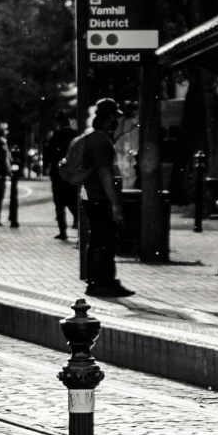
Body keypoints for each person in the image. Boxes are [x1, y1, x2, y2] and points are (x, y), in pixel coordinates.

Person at [78, 99, 132, 299]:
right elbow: (105, 174)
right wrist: (116, 203)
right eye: (115, 116)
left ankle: (100, 281)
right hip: (99, 197)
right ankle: (101, 283)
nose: (117, 120)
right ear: (109, 117)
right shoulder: (100, 142)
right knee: (105, 240)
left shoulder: (92, 138)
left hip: (92, 196)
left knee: (99, 240)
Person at [45, 119, 80, 243]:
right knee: (73, 202)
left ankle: (62, 231)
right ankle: (80, 225)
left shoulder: (56, 136)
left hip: (58, 173)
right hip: (73, 173)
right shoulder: (76, 135)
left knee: (59, 204)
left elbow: (48, 155)